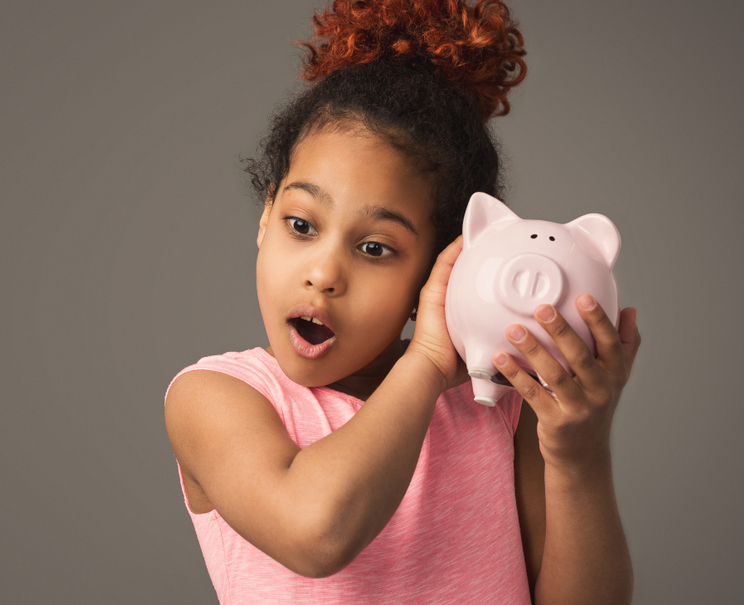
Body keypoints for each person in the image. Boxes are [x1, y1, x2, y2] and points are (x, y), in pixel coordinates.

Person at [164, 1, 641, 603]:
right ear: (264, 218)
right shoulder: (216, 398)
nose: (323, 273)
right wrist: (426, 362)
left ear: (440, 271)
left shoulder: (498, 407)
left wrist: (580, 453)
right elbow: (316, 533)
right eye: (301, 225)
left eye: (374, 247)